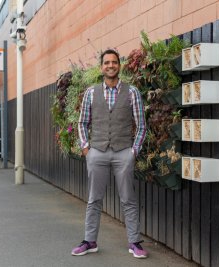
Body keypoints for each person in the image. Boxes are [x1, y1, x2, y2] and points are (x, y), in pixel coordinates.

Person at [72, 49, 147, 258]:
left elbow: (141, 125)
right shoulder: (91, 92)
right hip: (97, 151)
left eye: (114, 62)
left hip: (124, 152)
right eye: (107, 63)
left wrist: (134, 150)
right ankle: (90, 240)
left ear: (119, 66)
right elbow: (82, 123)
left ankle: (134, 242)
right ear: (101, 67)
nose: (111, 66)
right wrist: (86, 148)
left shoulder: (132, 92)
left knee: (128, 199)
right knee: (94, 199)